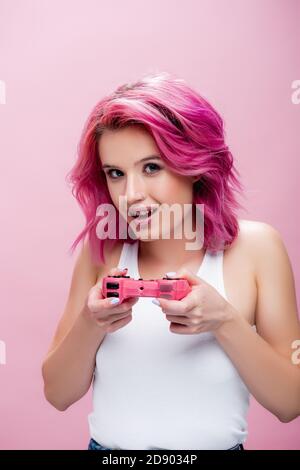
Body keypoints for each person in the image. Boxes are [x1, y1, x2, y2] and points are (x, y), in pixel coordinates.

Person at [42, 72, 300, 450]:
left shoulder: (257, 248)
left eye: (151, 168)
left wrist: (225, 320)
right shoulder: (103, 250)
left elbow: (290, 403)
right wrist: (90, 322)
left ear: (194, 164)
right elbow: (58, 394)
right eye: (116, 173)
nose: (130, 195)